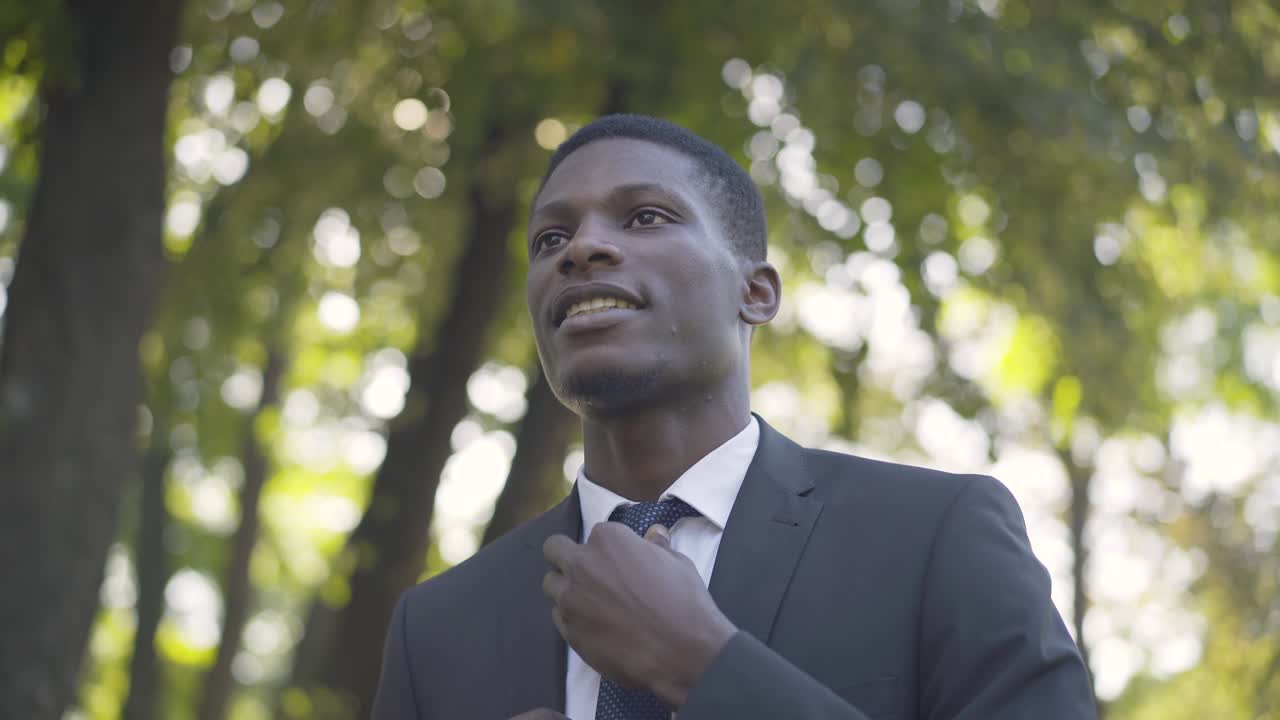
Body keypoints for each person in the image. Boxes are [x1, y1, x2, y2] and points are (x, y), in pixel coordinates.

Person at [371, 114, 1097, 720]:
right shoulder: (434, 628)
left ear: (755, 292)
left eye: (645, 216)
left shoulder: (938, 537)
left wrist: (705, 664)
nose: (581, 248)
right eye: (549, 239)